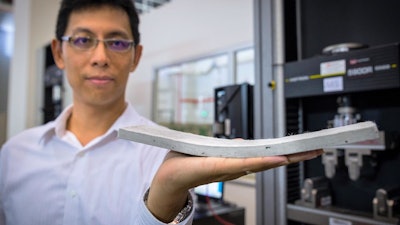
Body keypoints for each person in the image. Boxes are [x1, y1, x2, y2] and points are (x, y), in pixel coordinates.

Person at [0, 0, 323, 224]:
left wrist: (166, 193)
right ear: (59, 52)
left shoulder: (163, 156)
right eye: (83, 39)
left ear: (135, 56)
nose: (100, 56)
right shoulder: (15, 153)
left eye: (116, 42)